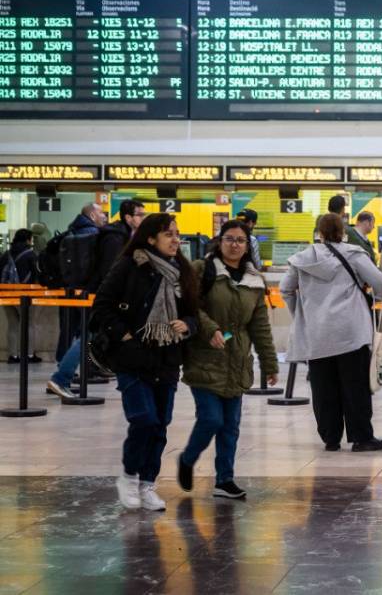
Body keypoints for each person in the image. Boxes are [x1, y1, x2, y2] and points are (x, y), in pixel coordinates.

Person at [89, 213, 199, 511]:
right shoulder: (129, 266)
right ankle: (128, 476)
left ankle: (147, 484)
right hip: (132, 358)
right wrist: (125, 336)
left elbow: (194, 312)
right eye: (168, 234)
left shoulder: (182, 272)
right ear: (150, 238)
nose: (176, 240)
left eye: (177, 234)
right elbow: (102, 306)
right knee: (143, 419)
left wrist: (188, 325)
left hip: (167, 358)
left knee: (160, 425)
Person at [178, 219, 279, 500]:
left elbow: (260, 326)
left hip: (237, 360)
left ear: (247, 246)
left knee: (230, 426)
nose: (235, 245)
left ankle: (225, 479)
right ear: (219, 241)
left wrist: (269, 364)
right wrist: (210, 329)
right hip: (205, 356)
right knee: (211, 419)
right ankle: (187, 459)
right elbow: (190, 306)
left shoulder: (254, 280)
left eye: (240, 240)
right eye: (229, 239)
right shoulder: (202, 270)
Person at [282, 213, 382, 453]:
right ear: (343, 232)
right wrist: (377, 298)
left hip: (317, 333)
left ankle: (330, 438)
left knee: (323, 387)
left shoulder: (302, 259)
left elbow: (286, 289)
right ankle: (361, 437)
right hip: (351, 331)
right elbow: (378, 281)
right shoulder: (354, 254)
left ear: (319, 232)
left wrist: (301, 313)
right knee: (355, 386)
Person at [46, 203, 108, 399]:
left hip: (70, 289)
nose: (104, 216)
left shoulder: (70, 232)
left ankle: (64, 368)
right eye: (101, 213)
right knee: (88, 333)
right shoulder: (93, 234)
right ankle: (67, 375)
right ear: (92, 215)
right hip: (87, 292)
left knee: (71, 330)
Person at [3, 229, 41, 364]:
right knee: (29, 323)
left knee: (12, 325)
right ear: (28, 240)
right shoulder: (30, 254)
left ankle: (13, 356)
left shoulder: (6, 254)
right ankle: (29, 355)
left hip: (7, 294)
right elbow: (37, 274)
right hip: (25, 294)